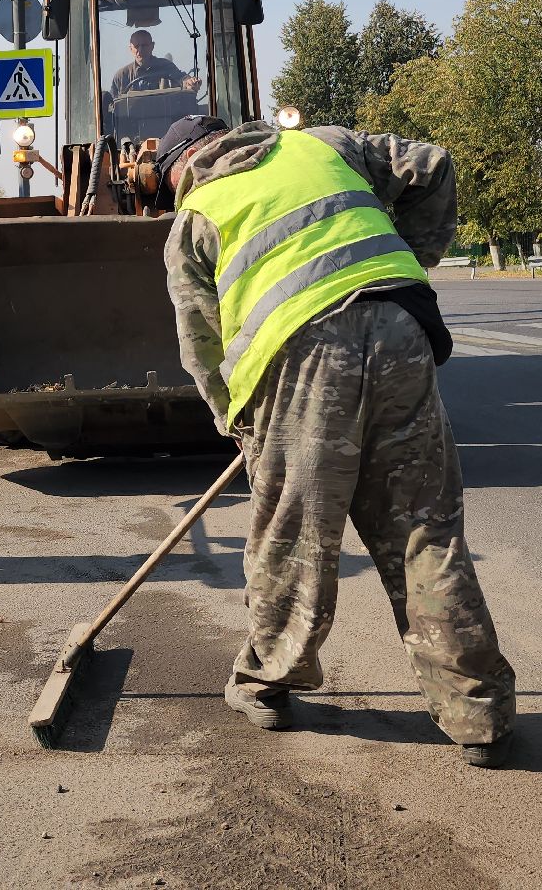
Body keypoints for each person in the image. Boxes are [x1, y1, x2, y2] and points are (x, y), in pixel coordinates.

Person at [156, 114, 518, 768]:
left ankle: (271, 681)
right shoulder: (322, 144)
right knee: (424, 528)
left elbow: (201, 347)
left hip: (300, 358)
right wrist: (411, 261)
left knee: (292, 534)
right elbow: (432, 164)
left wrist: (233, 421)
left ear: (184, 167)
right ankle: (477, 714)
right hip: (400, 329)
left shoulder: (195, 220)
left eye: (170, 180)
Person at [108, 29, 202, 100]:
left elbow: (182, 79)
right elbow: (113, 104)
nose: (140, 50)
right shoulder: (121, 76)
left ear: (152, 46)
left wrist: (190, 82)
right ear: (130, 49)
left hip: (165, 120)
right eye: (136, 46)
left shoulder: (166, 67)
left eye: (144, 45)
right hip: (132, 124)